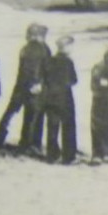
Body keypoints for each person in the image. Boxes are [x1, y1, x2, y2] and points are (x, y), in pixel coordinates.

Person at [0, 24, 50, 152]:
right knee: (34, 115)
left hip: (24, 86)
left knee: (14, 112)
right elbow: (34, 69)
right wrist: (37, 83)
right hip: (33, 87)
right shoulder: (38, 48)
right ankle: (31, 143)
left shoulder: (31, 48)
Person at [42, 35, 79, 164]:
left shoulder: (49, 60)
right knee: (68, 125)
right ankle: (68, 156)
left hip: (50, 97)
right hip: (65, 98)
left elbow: (44, 78)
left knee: (52, 126)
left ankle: (52, 155)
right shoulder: (68, 62)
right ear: (67, 47)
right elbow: (74, 80)